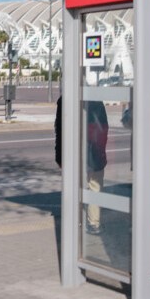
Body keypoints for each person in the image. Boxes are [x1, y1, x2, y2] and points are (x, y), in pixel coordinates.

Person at [55, 97, 109, 234]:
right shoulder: (96, 99)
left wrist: (60, 156)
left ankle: (73, 221)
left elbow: (59, 130)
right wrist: (100, 150)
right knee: (95, 186)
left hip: (73, 151)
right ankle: (93, 223)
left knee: (73, 187)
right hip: (94, 151)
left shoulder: (64, 99)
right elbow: (103, 127)